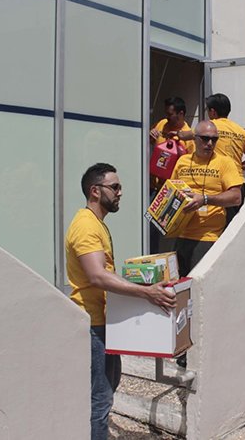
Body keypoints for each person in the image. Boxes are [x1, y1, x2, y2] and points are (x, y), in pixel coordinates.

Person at [65, 163, 177, 440]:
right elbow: (97, 276)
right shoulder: (85, 226)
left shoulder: (96, 224)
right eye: (114, 187)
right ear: (95, 191)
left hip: (105, 323)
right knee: (99, 399)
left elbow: (107, 272)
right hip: (93, 325)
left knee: (108, 388)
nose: (120, 192)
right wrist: (147, 293)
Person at [170, 120, 243, 277]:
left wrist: (205, 199)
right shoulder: (182, 161)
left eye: (214, 139)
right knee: (180, 288)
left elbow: (236, 197)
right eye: (205, 138)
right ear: (195, 138)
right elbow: (172, 193)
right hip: (181, 235)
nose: (210, 143)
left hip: (207, 238)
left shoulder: (225, 163)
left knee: (198, 287)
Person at [149, 97, 195, 253]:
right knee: (150, 230)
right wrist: (150, 135)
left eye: (170, 114)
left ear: (180, 114)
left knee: (170, 229)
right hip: (154, 187)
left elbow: (191, 166)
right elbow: (148, 142)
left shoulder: (188, 137)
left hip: (171, 191)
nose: (167, 117)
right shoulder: (162, 124)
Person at [205, 93, 245, 226]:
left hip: (217, 182)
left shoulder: (210, 127)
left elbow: (188, 135)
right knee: (233, 226)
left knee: (214, 224)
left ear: (212, 111)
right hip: (238, 184)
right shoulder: (242, 132)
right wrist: (237, 167)